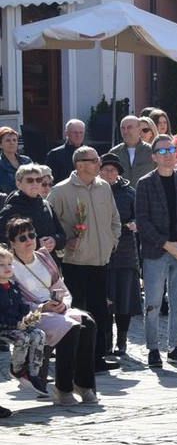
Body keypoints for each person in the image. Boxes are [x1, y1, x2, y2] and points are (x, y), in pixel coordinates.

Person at [8, 217, 100, 406]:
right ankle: (63, 388)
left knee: (88, 323)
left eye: (31, 235)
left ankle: (83, 384)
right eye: (22, 238)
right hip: (34, 314)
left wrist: (63, 304)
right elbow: (16, 302)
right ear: (12, 243)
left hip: (58, 309)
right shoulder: (10, 267)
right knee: (70, 327)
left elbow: (61, 287)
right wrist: (43, 307)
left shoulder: (43, 257)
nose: (29, 240)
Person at [47, 146, 121, 371]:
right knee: (77, 313)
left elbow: (114, 218)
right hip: (75, 263)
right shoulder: (60, 191)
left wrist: (112, 241)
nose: (100, 163)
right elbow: (50, 225)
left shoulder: (104, 187)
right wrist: (66, 242)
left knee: (101, 311)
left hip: (101, 261)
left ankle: (97, 359)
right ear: (80, 165)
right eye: (95, 160)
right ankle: (78, 362)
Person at [133, 136, 177, 368]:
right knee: (153, 303)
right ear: (154, 157)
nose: (168, 154)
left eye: (171, 149)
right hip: (156, 251)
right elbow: (142, 221)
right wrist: (166, 244)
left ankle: (175, 347)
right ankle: (153, 349)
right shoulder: (145, 183)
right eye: (162, 151)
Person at [98, 154, 142, 360]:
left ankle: (122, 340)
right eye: (105, 170)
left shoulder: (129, 192)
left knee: (124, 299)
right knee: (104, 299)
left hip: (125, 252)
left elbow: (140, 215)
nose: (109, 173)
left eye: (112, 170)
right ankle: (106, 340)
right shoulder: (94, 190)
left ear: (118, 173)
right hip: (101, 252)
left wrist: (134, 223)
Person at [0, 244, 49, 398]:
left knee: (39, 334)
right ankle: (17, 368)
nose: (7, 268)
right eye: (1, 265)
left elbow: (21, 305)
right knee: (22, 337)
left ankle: (33, 373)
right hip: (4, 327)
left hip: (19, 325)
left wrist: (27, 317)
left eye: (9, 264)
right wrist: (15, 324)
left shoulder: (13, 286)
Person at [0, 165, 66, 261]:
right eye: (30, 180)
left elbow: (62, 235)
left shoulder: (46, 205)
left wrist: (54, 240)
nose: (35, 184)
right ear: (18, 184)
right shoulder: (11, 209)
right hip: (23, 266)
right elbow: (3, 242)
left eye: (38, 180)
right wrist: (36, 244)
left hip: (49, 264)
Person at [109, 116, 156, 186]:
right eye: (123, 128)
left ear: (139, 129)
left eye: (129, 127)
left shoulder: (151, 151)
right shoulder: (114, 153)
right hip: (122, 192)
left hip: (146, 192)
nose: (125, 131)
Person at [0, 127, 32, 194]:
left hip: (28, 198)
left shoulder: (27, 161)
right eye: (8, 140)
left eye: (14, 140)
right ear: (1, 145)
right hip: (7, 199)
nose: (12, 143)